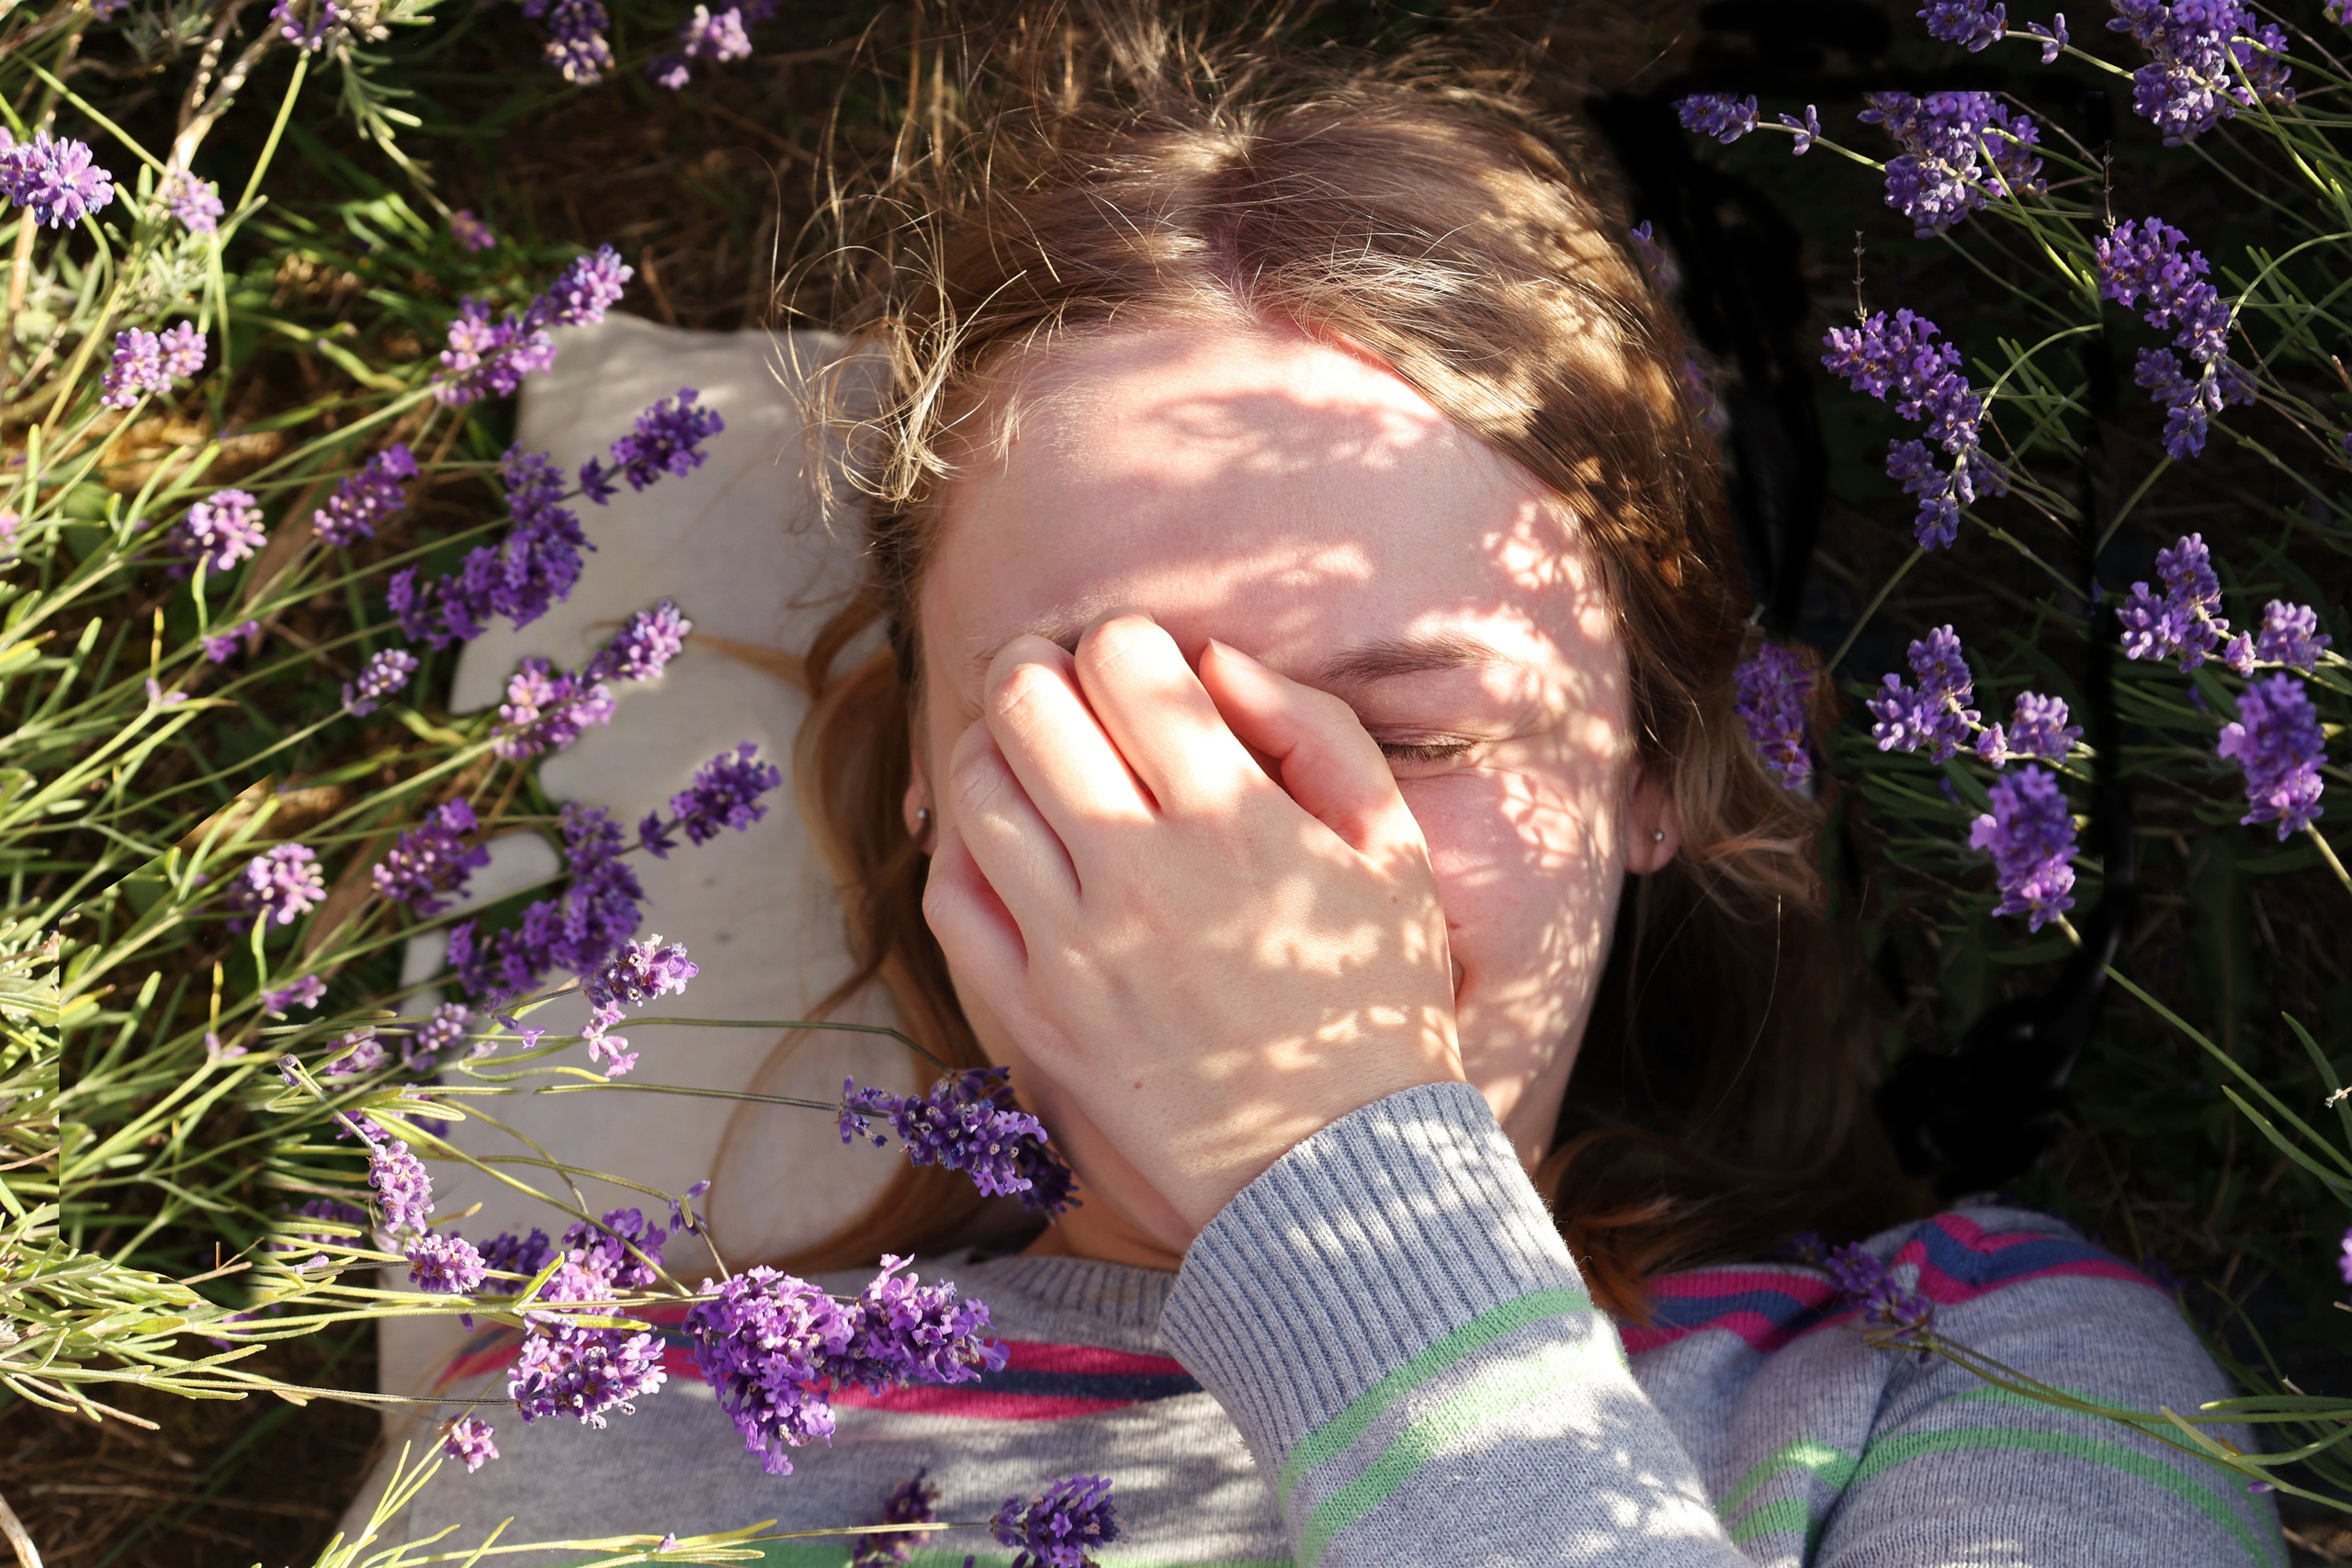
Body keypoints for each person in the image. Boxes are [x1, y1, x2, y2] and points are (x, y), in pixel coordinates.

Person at [362, 11, 2278, 1564]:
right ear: (928, 780)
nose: (1257, 867)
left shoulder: (1982, 1368)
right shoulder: (588, 1423)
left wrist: (1346, 1204)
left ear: (1658, 769)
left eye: (1421, 734)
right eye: (1100, 730)